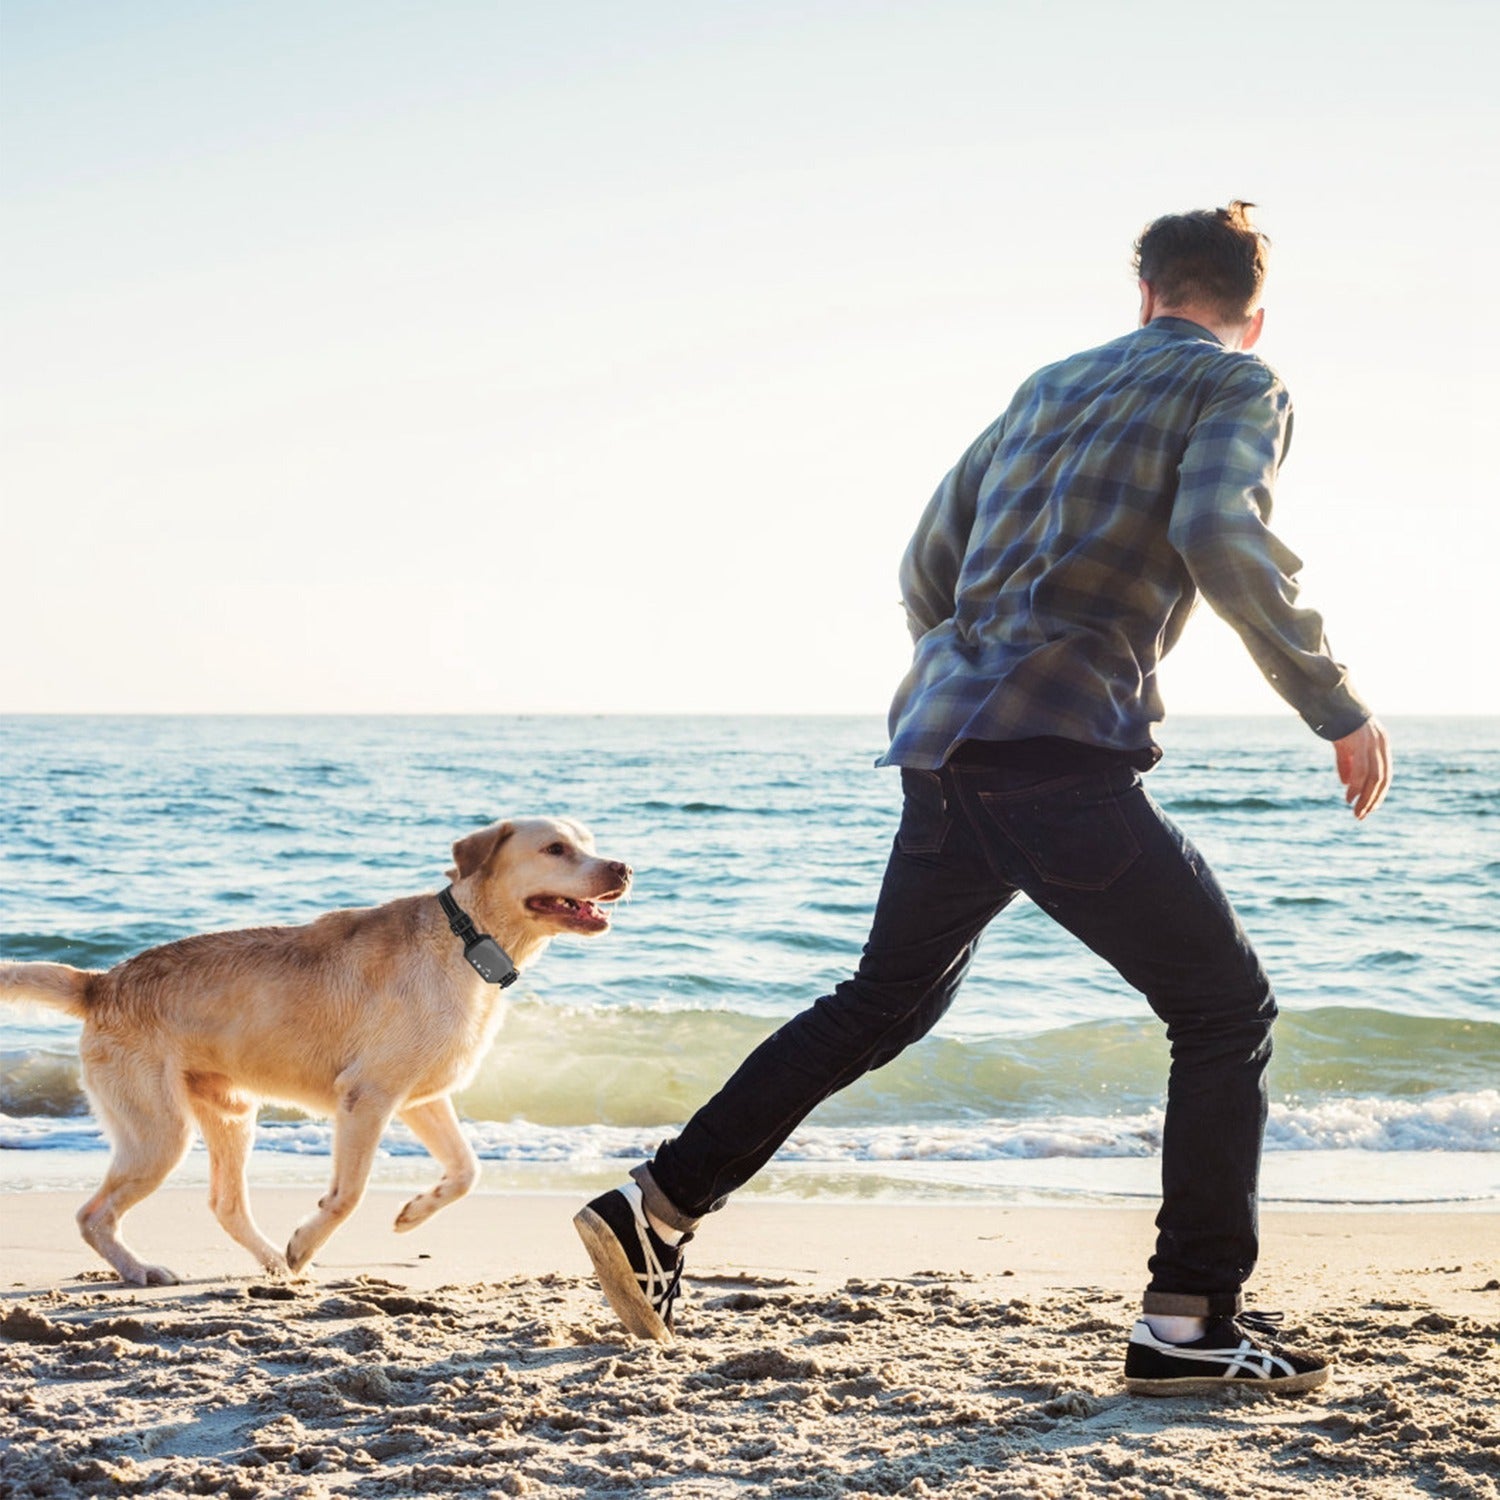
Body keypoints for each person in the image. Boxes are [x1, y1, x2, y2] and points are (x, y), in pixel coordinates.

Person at [574, 201, 1391, 1395]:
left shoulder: (1051, 384)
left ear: (1146, 293)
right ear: (1251, 313)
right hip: (1058, 754)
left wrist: (970, 664)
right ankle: (1189, 1325)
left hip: (947, 746)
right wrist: (1334, 701)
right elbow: (1221, 528)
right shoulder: (1239, 385)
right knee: (1225, 1010)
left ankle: (656, 1206)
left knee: (881, 1003)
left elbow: (924, 564)